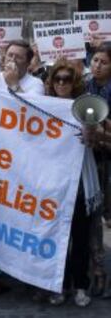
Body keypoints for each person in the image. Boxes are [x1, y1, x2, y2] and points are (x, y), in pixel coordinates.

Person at [43, 59, 97, 307]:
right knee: (56, 237)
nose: (61, 83)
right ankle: (60, 285)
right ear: (52, 82)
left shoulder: (83, 106)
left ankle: (81, 286)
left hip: (79, 183)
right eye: (57, 79)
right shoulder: (42, 106)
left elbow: (96, 141)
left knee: (80, 236)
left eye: (66, 79)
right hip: (52, 183)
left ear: (74, 82)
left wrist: (90, 134)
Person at [85, 43, 111, 294]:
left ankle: (101, 271)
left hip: (107, 158)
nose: (97, 66)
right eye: (94, 61)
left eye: (103, 62)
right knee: (94, 218)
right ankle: (96, 269)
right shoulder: (87, 86)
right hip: (94, 159)